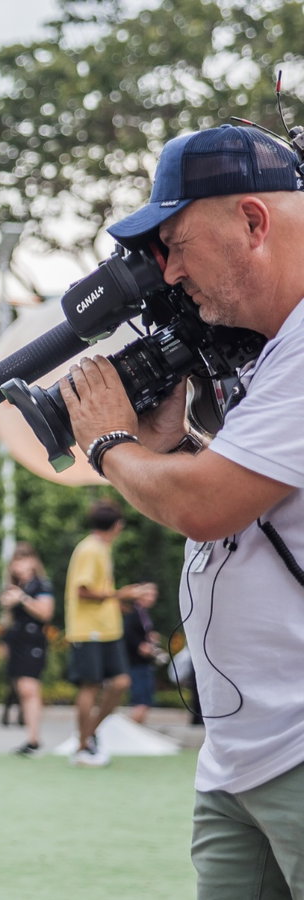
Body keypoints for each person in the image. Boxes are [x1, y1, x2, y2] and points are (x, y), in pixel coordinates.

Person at [63, 123, 304, 895]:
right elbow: (242, 503)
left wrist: (108, 443)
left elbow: (207, 507)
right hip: (243, 753)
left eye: (176, 243)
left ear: (252, 223)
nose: (166, 271)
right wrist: (160, 454)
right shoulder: (272, 352)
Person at [62, 499, 151, 767]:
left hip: (107, 628)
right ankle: (83, 745)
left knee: (121, 682)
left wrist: (120, 602)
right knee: (90, 685)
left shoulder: (100, 548)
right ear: (117, 526)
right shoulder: (90, 549)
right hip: (88, 630)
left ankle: (87, 735)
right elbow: (82, 591)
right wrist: (120, 594)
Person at [0, 542, 55, 757]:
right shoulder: (16, 586)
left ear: (33, 561)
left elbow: (45, 613)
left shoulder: (41, 585)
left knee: (29, 689)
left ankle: (34, 738)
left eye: (23, 560)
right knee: (22, 689)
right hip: (17, 641)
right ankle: (31, 737)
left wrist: (22, 599)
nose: (18, 565)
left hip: (33, 642)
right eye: (16, 561)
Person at [122, 582, 164, 726]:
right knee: (141, 701)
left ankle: (135, 731)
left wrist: (150, 638)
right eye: (148, 594)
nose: (151, 598)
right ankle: (128, 731)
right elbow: (127, 634)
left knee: (145, 701)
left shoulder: (143, 614)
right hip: (136, 663)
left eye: (153, 594)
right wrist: (140, 645)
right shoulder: (133, 613)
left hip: (143, 663)